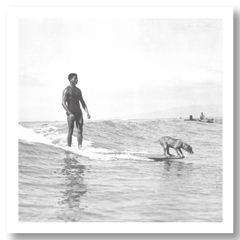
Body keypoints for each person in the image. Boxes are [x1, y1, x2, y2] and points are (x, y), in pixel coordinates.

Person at [62, 73, 91, 149]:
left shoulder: (78, 90)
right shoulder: (66, 90)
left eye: (77, 78)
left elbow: (83, 103)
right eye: (75, 78)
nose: (77, 80)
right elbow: (63, 103)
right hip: (70, 113)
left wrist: (87, 112)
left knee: (80, 131)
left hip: (79, 113)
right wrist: (70, 113)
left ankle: (80, 148)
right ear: (70, 79)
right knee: (70, 131)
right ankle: (69, 148)